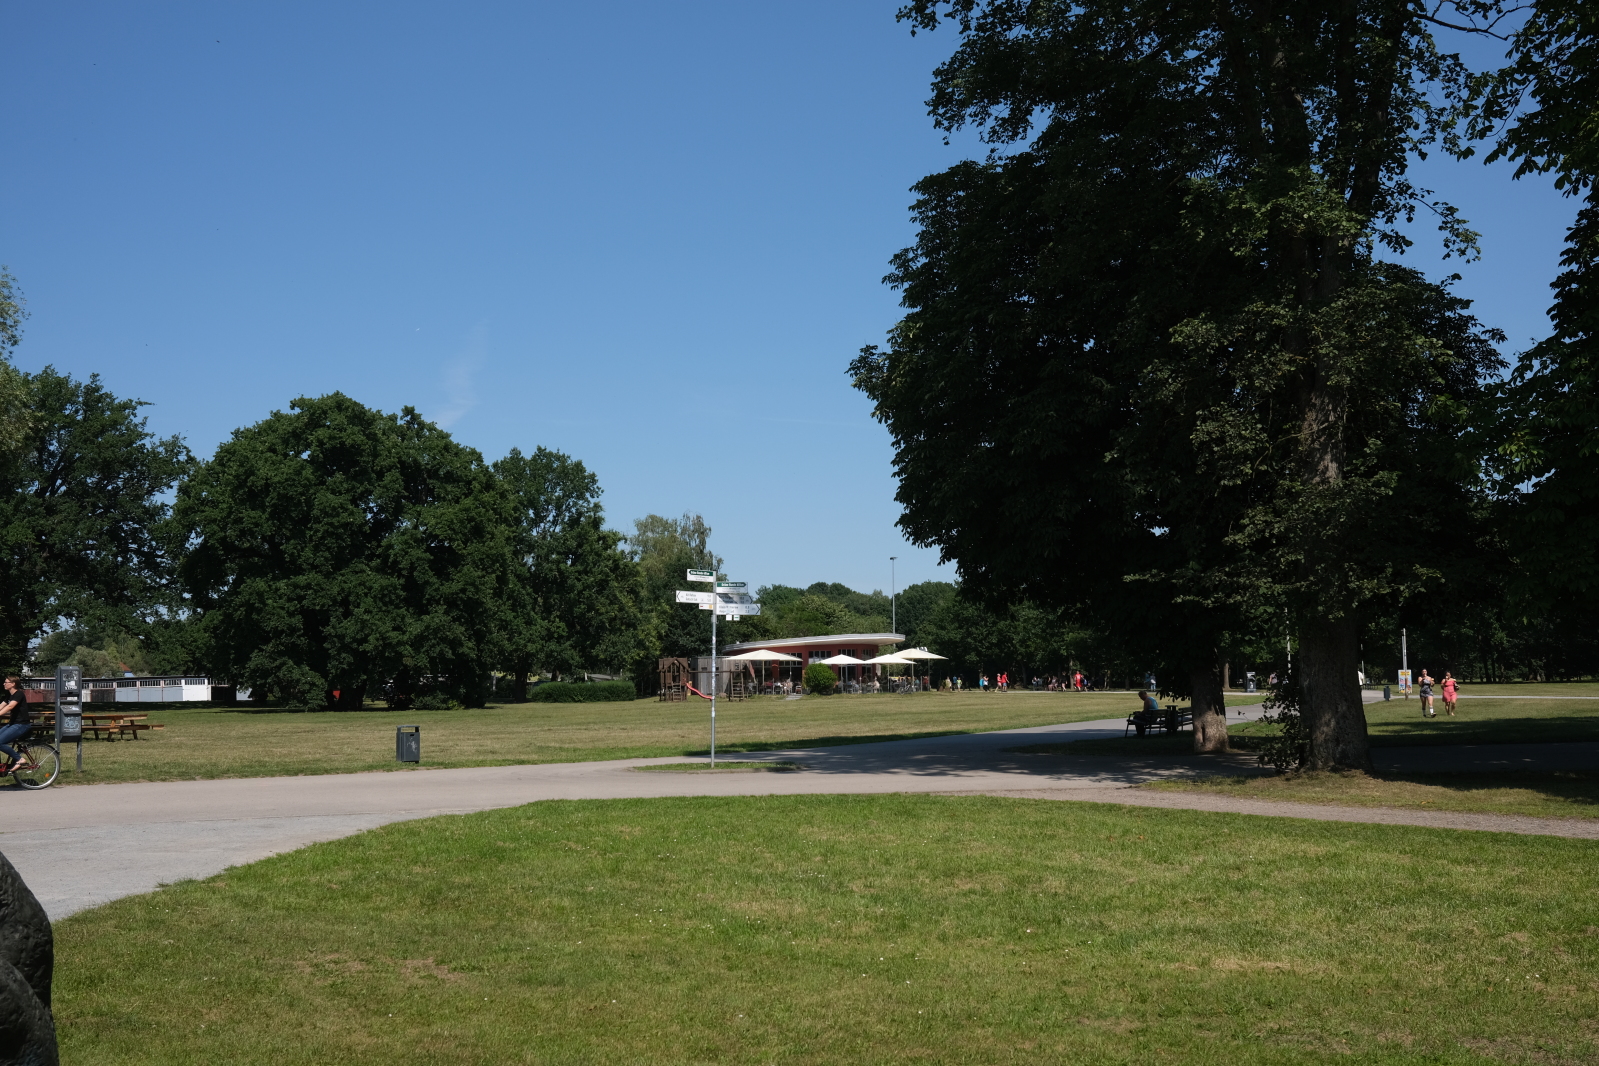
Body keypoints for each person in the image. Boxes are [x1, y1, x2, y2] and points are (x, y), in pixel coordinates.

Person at [0, 676, 34, 773]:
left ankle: (20, 759)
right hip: (13, 724)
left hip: (21, 725)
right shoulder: (10, 695)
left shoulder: (19, 694)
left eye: (6, 682)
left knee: (0, 742)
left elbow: (10, 706)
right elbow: (1, 705)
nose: (4, 684)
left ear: (13, 684)